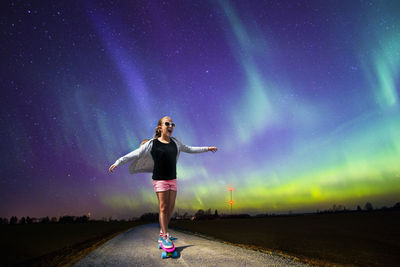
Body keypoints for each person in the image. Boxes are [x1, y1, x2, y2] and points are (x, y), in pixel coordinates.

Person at [109, 116, 218, 249]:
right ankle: (165, 237)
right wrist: (118, 162)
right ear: (160, 127)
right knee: (163, 207)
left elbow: (190, 149)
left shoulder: (176, 142)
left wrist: (207, 148)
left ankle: (162, 233)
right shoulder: (152, 144)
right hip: (159, 180)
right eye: (167, 124)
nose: (171, 126)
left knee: (171, 209)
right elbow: (134, 154)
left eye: (172, 124)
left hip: (172, 179)